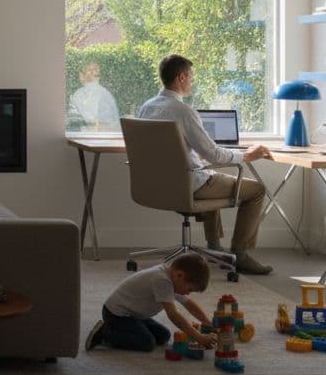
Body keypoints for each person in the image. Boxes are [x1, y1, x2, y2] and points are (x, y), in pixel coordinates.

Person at [137, 54, 273, 275]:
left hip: (156, 188)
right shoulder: (183, 111)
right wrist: (246, 156)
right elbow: (213, 154)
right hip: (189, 185)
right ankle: (240, 254)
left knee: (209, 175)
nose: (193, 81)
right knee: (257, 190)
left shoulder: (147, 107)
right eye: (191, 76)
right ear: (181, 77)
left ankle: (214, 248)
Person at [85, 252, 217, 352]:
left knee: (163, 336)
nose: (188, 293)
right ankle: (104, 334)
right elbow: (173, 315)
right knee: (146, 342)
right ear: (179, 275)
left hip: (135, 314)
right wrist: (199, 337)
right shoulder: (162, 280)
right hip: (116, 314)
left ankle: (120, 329)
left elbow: (188, 304)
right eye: (189, 289)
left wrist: (208, 323)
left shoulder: (173, 278)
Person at [70, 60, 120, 131]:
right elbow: (74, 120)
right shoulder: (78, 94)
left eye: (94, 71)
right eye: (90, 70)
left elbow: (109, 125)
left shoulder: (104, 95)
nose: (94, 73)